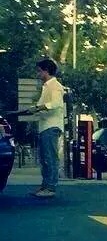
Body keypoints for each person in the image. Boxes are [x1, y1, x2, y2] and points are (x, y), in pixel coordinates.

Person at [28, 58, 66, 198]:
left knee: (50, 158)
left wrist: (39, 108)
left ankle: (50, 187)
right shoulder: (47, 86)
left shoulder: (54, 86)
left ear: (46, 71)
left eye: (39, 71)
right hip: (45, 126)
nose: (38, 74)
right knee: (45, 158)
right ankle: (45, 185)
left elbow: (56, 103)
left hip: (51, 126)